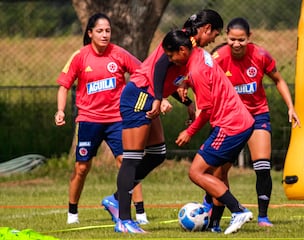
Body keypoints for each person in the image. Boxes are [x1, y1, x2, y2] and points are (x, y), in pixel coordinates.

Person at [109, 9, 224, 234]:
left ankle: (115, 199)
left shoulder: (190, 45)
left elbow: (170, 77)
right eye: (215, 35)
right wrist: (158, 99)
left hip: (150, 96)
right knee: (132, 159)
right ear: (207, 29)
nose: (213, 41)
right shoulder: (181, 39)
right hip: (139, 95)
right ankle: (123, 219)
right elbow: (160, 67)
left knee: (157, 154)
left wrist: (186, 101)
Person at [208, 17, 301, 229]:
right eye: (232, 39)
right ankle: (214, 219)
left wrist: (291, 106)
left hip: (257, 116)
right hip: (230, 118)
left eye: (241, 39)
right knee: (219, 171)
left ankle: (263, 217)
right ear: (226, 38)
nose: (237, 44)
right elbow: (203, 81)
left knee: (262, 166)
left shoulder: (260, 56)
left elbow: (278, 79)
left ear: (249, 37)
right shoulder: (218, 57)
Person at [54, 13, 145, 224]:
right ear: (90, 33)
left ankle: (140, 213)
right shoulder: (80, 56)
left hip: (117, 119)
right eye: (100, 31)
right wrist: (60, 111)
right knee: (82, 168)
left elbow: (143, 73)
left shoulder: (119, 54)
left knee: (127, 163)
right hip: (89, 120)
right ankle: (72, 214)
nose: (105, 35)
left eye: (108, 31)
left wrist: (150, 98)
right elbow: (63, 86)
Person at [163, 29, 255, 235]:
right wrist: (186, 82)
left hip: (230, 125)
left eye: (171, 56)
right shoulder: (200, 54)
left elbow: (206, 111)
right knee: (218, 174)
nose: (171, 60)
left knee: (196, 172)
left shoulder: (197, 71)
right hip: (241, 122)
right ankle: (214, 225)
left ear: (182, 50)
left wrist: (189, 131)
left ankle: (238, 210)